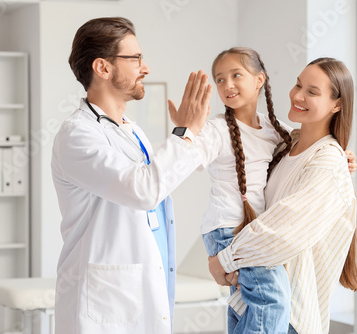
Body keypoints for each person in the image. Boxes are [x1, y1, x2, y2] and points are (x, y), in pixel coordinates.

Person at [51, 17, 212, 334]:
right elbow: (143, 190)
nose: (145, 68)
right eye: (135, 58)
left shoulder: (131, 130)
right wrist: (184, 134)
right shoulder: (77, 135)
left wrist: (186, 133)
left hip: (137, 293)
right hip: (103, 307)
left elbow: (159, 177)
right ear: (103, 68)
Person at [208, 57, 357, 334]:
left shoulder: (328, 160)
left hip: (288, 311)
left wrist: (224, 260)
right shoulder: (284, 144)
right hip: (250, 296)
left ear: (337, 104)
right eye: (298, 85)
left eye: (312, 92)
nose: (297, 95)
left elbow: (282, 231)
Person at [196, 47, 293, 334]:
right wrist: (186, 128)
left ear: (259, 79)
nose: (227, 85)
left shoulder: (273, 128)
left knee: (247, 306)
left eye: (236, 75)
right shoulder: (216, 129)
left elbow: (307, 150)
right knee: (272, 302)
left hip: (249, 229)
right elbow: (190, 155)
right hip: (228, 229)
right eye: (220, 79)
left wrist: (344, 157)